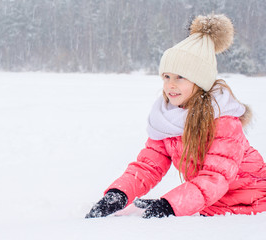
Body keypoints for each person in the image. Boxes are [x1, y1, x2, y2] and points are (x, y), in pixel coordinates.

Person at [85, 14, 266, 219]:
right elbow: (149, 165)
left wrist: (170, 205)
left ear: (200, 82)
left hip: (250, 201)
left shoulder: (224, 121)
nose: (171, 84)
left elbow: (216, 177)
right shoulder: (168, 119)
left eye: (180, 77)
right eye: (167, 77)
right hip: (208, 200)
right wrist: (119, 194)